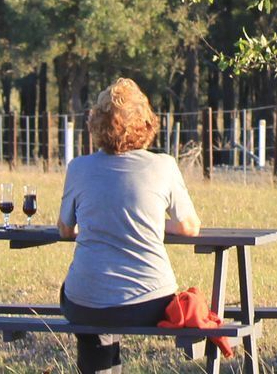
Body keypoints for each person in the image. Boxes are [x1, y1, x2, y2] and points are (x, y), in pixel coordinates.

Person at [57, 78, 201, 373]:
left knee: (92, 319)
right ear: (146, 123)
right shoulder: (163, 165)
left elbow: (65, 229)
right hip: (148, 300)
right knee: (104, 316)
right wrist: (149, 223)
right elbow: (189, 227)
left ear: (96, 123)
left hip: (84, 300)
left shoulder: (79, 168)